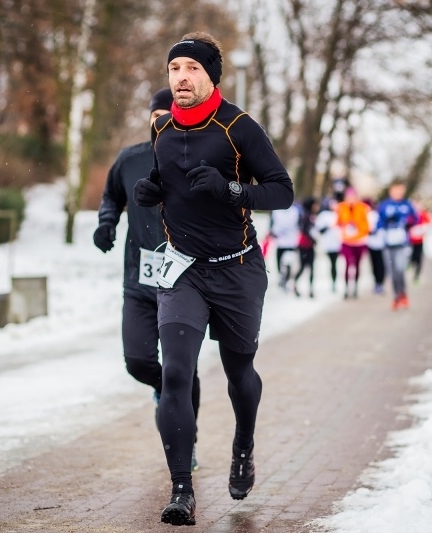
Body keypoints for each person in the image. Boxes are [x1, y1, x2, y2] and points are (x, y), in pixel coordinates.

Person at [132, 32, 294, 526]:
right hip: (183, 271)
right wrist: (153, 190)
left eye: (192, 69)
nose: (181, 78)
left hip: (237, 268)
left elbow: (282, 191)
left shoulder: (239, 127)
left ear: (211, 76)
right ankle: (181, 489)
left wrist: (231, 190)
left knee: (238, 370)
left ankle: (243, 445)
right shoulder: (162, 130)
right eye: (174, 69)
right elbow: (170, 183)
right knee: (176, 372)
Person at [93, 89, 201, 471]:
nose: (161, 124)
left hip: (186, 284)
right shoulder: (131, 159)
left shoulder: (198, 158)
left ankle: (186, 441)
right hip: (140, 282)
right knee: (138, 361)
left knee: (181, 369)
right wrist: (106, 224)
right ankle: (165, 388)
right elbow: (111, 197)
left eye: (168, 116)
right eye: (156, 117)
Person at [377, 179, 418, 310]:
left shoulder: (407, 205)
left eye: (400, 190)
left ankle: (403, 293)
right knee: (392, 272)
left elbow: (415, 219)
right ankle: (396, 296)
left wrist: (407, 222)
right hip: (388, 244)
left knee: (400, 269)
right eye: (396, 190)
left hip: (402, 243)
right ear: (391, 190)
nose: (398, 192)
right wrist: (383, 227)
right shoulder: (384, 205)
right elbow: (379, 222)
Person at [336, 187, 370, 299]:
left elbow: (366, 225)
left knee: (357, 264)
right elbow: (338, 222)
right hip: (346, 241)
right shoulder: (341, 207)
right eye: (349, 197)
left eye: (353, 197)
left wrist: (358, 229)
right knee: (347, 263)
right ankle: (346, 288)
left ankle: (355, 287)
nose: (351, 199)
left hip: (359, 241)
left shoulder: (363, 207)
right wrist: (344, 228)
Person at [269, 203, 302, 292]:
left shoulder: (295, 211)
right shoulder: (276, 210)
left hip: (291, 242)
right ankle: (282, 279)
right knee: (280, 263)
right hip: (280, 242)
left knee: (289, 263)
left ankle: (285, 280)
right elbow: (271, 225)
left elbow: (299, 224)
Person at [313, 198, 343, 292]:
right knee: (330, 263)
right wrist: (328, 227)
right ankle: (330, 281)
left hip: (337, 244)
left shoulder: (340, 214)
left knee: (334, 264)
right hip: (328, 244)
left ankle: (334, 282)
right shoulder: (324, 215)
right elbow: (319, 229)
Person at [293, 197, 319, 298]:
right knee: (303, 267)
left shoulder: (311, 216)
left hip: (309, 245)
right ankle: (295, 285)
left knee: (311, 267)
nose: (317, 207)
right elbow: (304, 230)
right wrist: (313, 239)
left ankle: (310, 289)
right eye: (315, 205)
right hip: (304, 245)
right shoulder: (306, 216)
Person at [408, 199, 432, 284]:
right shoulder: (410, 214)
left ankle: (417, 276)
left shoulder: (424, 214)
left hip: (420, 241)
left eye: (418, 205)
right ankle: (410, 263)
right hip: (409, 241)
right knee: (411, 255)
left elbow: (429, 225)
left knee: (419, 257)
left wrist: (421, 229)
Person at [366, 201, 386, 294]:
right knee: (375, 264)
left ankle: (380, 283)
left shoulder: (380, 215)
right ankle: (377, 283)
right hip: (371, 244)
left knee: (380, 264)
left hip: (380, 244)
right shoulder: (368, 215)